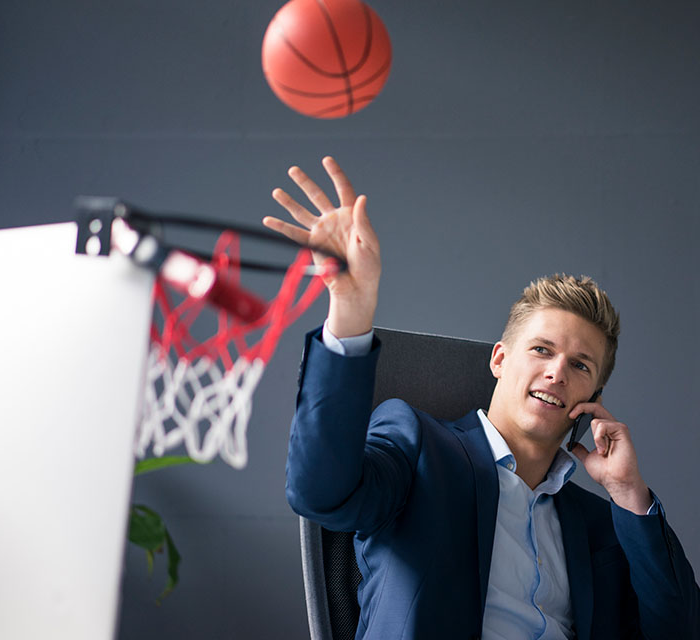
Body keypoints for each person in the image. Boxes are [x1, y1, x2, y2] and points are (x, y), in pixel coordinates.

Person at [263, 157, 699, 639]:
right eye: (542, 350)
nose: (557, 372)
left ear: (592, 397)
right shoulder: (418, 446)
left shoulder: (598, 523)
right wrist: (350, 310)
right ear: (499, 360)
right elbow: (320, 493)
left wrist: (629, 495)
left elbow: (677, 629)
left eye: (580, 366)